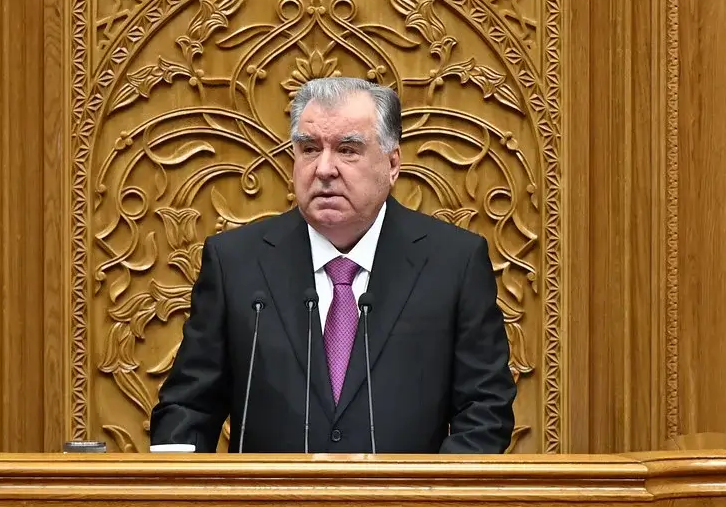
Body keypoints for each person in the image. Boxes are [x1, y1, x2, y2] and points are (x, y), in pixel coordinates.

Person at [149, 77, 517, 453]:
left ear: (392, 164)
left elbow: (485, 411)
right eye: (309, 149)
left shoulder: (454, 263)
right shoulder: (236, 263)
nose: (324, 169)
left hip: (406, 493)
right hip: (269, 493)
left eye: (347, 150)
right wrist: (183, 478)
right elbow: (187, 408)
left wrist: (427, 488)